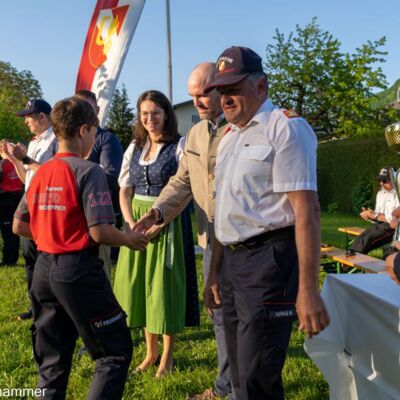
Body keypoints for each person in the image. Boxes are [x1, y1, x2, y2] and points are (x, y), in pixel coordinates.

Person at [202, 46, 330, 400]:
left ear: (261, 86)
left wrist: (308, 290)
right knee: (239, 374)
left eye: (234, 88)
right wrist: (214, 272)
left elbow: (307, 210)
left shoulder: (285, 128)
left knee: (257, 377)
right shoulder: (229, 138)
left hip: (268, 264)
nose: (226, 99)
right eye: (221, 91)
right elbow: (225, 211)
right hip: (232, 263)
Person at [12, 97, 149, 399]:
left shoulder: (40, 172)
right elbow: (100, 231)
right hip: (77, 270)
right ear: (84, 130)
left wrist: (51, 233)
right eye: (93, 133)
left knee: (52, 361)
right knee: (114, 352)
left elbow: (19, 225)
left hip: (43, 271)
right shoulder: (90, 171)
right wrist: (129, 239)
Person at [135, 63, 235, 399]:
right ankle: (225, 387)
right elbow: (182, 182)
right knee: (219, 315)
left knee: (251, 320)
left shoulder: (245, 128)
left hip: (249, 244)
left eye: (203, 93)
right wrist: (157, 211)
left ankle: (247, 388)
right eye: (192, 95)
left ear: (222, 88)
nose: (197, 102)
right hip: (211, 242)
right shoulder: (196, 134)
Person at [113, 90, 197, 379]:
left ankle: (168, 357)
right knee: (143, 288)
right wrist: (129, 223)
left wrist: (159, 222)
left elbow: (187, 189)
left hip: (168, 222)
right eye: (145, 114)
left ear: (166, 115)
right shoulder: (135, 147)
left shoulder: (179, 145)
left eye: (156, 113)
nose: (150, 119)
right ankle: (151, 353)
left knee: (164, 288)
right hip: (136, 220)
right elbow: (124, 190)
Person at [0, 99, 57, 321]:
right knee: (30, 256)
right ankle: (36, 306)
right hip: (31, 202)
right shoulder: (34, 143)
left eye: (28, 117)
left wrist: (24, 158)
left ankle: (51, 305)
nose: (26, 122)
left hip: (47, 204)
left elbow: (54, 175)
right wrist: (15, 160)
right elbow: (27, 178)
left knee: (46, 257)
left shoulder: (56, 140)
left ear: (42, 116)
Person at [74, 90, 124, 276]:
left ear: (97, 110)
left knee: (98, 273)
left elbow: (110, 177)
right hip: (71, 217)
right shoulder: (63, 140)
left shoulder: (105, 139)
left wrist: (75, 186)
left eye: (89, 108)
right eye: (80, 107)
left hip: (96, 217)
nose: (84, 112)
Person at [349, 166, 400, 255]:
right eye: (379, 180)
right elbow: (377, 216)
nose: (381, 183)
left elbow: (395, 219)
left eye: (384, 181)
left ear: (394, 180)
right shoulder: (380, 194)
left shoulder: (398, 194)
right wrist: (370, 216)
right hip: (380, 226)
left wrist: (375, 215)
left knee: (367, 240)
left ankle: (351, 259)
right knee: (360, 238)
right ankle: (349, 258)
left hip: (393, 229)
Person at [0, 157, 23, 265]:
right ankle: (13, 258)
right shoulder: (17, 161)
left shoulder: (2, 163)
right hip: (17, 197)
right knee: (13, 231)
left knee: (7, 231)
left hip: (5, 198)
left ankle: (8, 260)